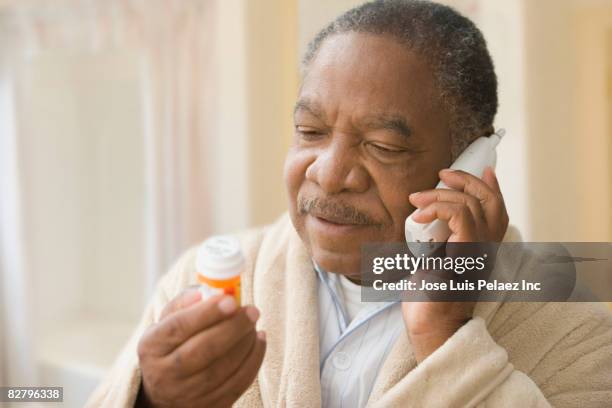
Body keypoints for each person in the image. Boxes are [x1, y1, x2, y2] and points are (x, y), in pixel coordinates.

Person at [87, 1, 612, 407]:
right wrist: (153, 400)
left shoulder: (574, 329)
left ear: (471, 163)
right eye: (310, 131)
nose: (328, 173)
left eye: (383, 146)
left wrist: (446, 339)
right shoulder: (210, 283)